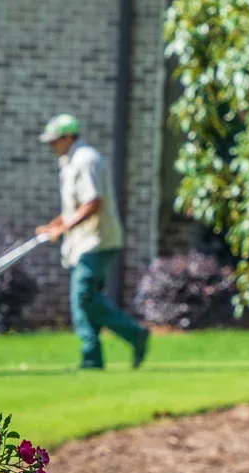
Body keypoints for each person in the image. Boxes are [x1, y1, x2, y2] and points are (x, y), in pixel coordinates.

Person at [35, 114, 150, 370]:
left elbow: (92, 202)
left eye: (54, 141)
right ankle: (92, 360)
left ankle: (133, 333)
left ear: (68, 137)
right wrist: (55, 225)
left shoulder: (86, 160)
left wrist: (63, 227)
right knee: (85, 301)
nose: (51, 146)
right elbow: (74, 206)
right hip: (82, 244)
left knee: (83, 297)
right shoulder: (70, 161)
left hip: (97, 242)